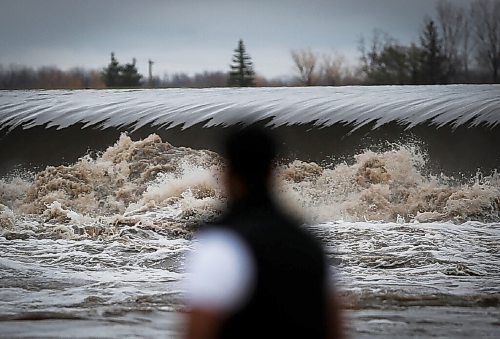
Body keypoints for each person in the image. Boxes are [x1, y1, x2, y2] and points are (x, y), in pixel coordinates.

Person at [184, 126, 344, 339]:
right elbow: (335, 325)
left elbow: (199, 328)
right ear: (273, 172)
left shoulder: (222, 244)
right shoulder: (310, 244)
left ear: (227, 174)